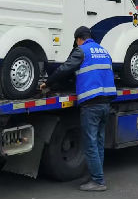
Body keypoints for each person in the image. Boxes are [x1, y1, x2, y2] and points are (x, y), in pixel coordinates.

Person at [43, 26, 117, 191]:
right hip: (105, 103)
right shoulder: (104, 52)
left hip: (91, 104)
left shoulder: (82, 51)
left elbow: (65, 69)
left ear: (78, 39)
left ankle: (98, 181)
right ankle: (96, 175)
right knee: (98, 143)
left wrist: (48, 82)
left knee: (90, 144)